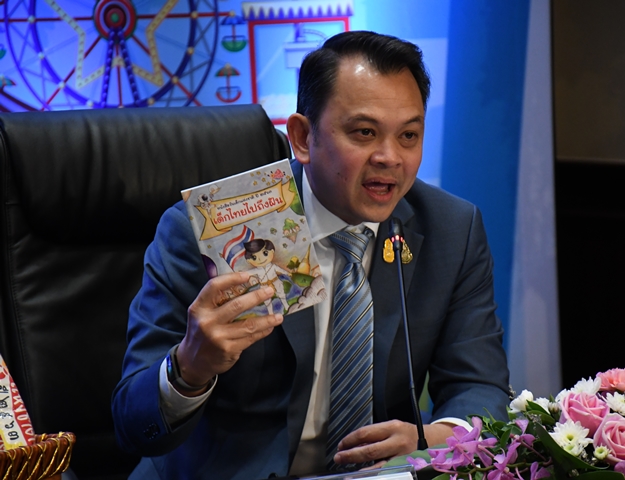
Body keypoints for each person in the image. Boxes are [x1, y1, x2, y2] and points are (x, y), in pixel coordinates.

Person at [112, 30, 510, 479]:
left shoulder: (452, 230)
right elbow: (132, 425)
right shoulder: (206, 232)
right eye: (364, 132)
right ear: (302, 137)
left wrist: (433, 437)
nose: (390, 158)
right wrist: (189, 367)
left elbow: (480, 385)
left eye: (408, 135)